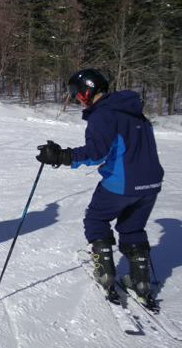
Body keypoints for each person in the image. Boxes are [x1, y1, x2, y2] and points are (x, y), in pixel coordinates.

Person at [36, 68, 163, 309]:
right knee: (133, 227)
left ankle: (105, 273)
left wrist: (60, 156)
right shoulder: (135, 111)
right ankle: (141, 282)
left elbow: (96, 153)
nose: (76, 98)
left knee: (96, 219)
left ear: (88, 89)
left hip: (122, 182)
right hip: (151, 184)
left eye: (76, 92)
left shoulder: (103, 114)